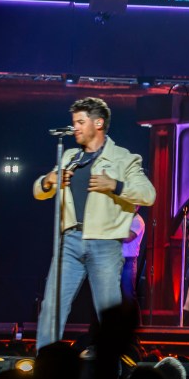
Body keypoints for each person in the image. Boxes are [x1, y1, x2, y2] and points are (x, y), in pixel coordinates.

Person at [33, 97, 156, 351]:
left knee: (107, 312)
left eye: (80, 122)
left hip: (105, 243)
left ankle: (112, 364)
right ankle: (45, 362)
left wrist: (115, 185)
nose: (75, 127)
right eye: (74, 122)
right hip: (70, 241)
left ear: (98, 123)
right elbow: (38, 191)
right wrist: (48, 180)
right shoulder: (69, 156)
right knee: (52, 306)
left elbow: (148, 194)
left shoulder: (122, 158)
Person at [121, 210, 145, 302]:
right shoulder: (123, 217)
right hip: (117, 258)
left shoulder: (137, 220)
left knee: (128, 294)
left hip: (128, 261)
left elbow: (128, 238)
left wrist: (112, 231)